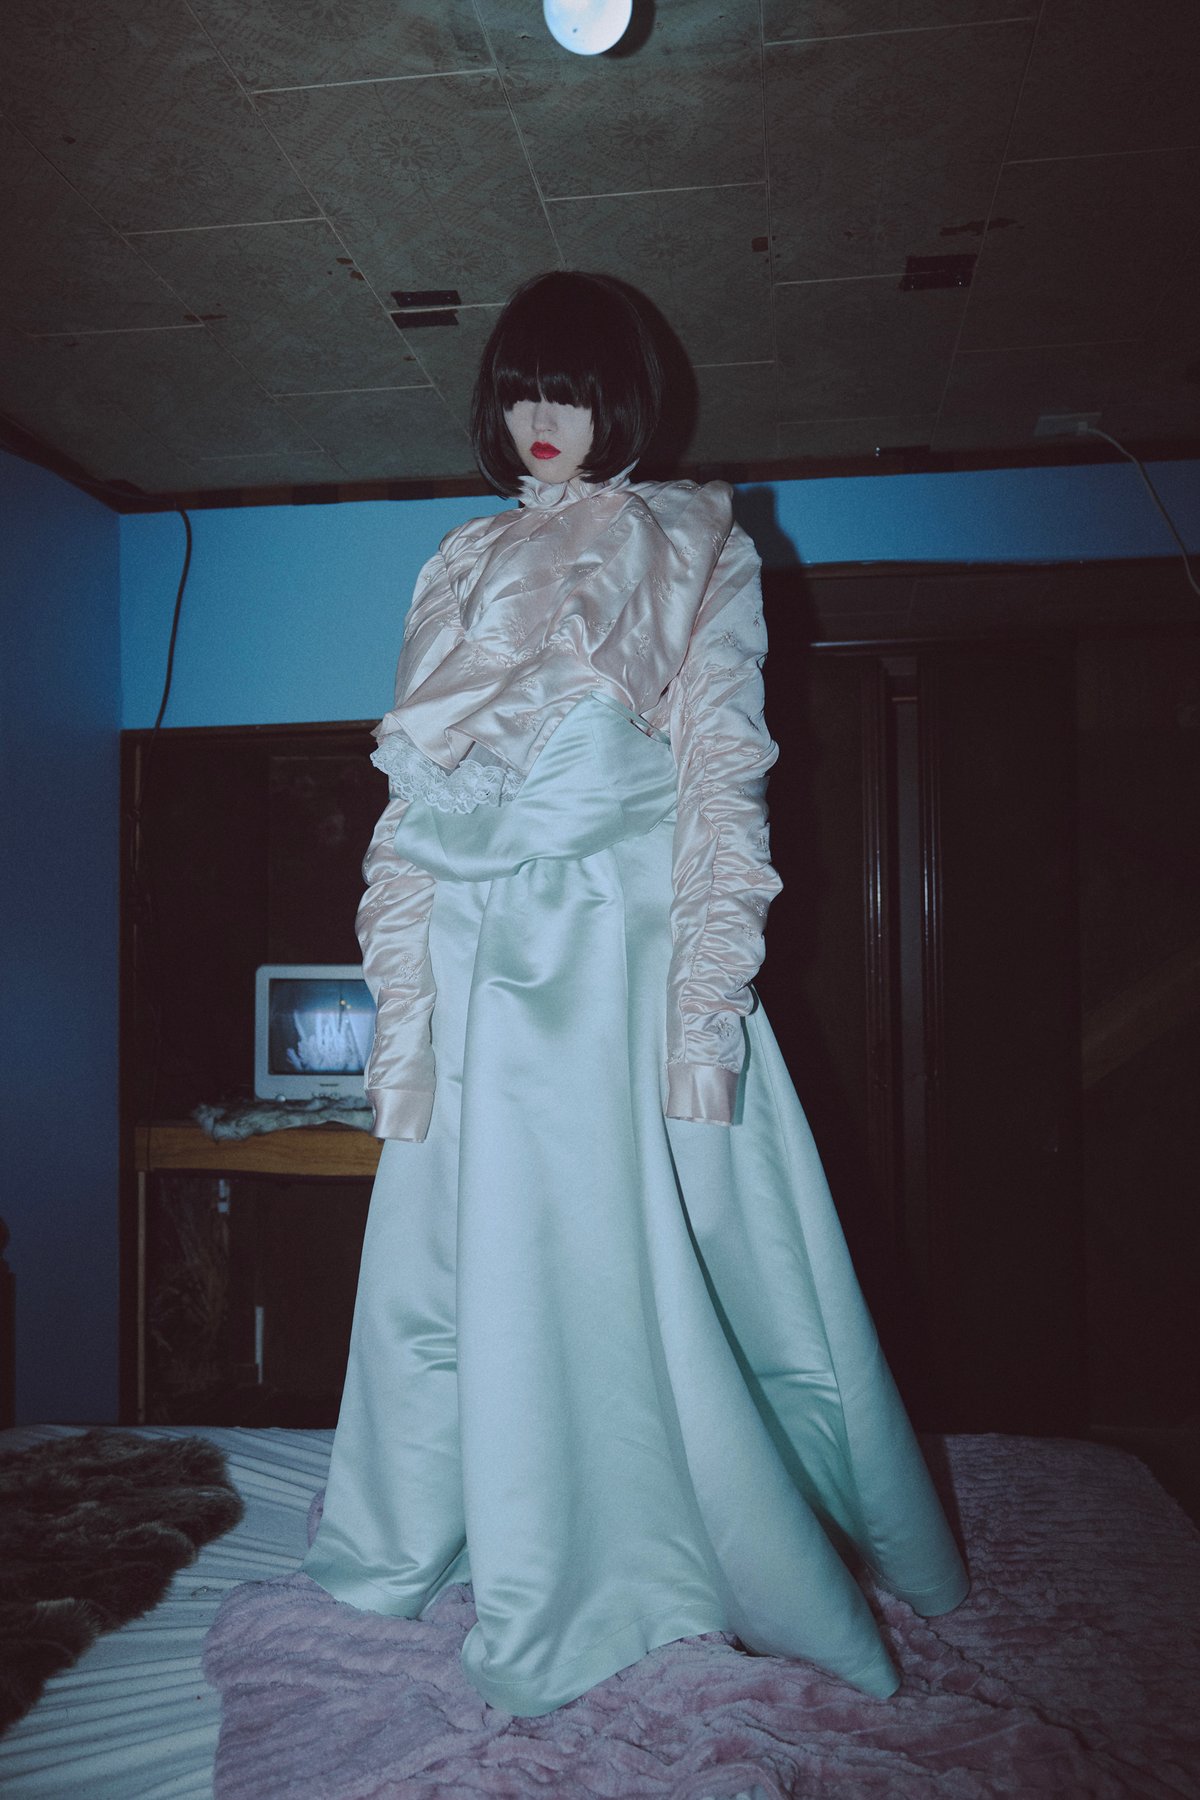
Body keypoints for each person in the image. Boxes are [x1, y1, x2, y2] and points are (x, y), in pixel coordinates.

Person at [301, 270, 969, 1717]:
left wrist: (705, 1010)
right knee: (461, 1270)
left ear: (627, 401)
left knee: (672, 1267)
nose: (541, 421)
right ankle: (479, 1525)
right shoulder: (457, 560)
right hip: (478, 972)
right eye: (520, 394)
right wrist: (402, 1034)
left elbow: (724, 779)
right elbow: (407, 814)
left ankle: (667, 1549)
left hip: (624, 960)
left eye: (573, 391)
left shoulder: (697, 544)